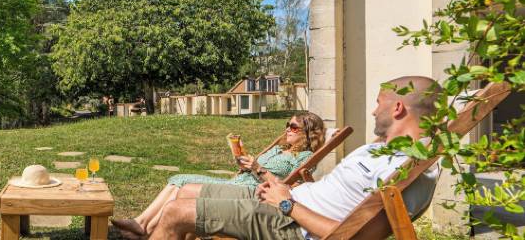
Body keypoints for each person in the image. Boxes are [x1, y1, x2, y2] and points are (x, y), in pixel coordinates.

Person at [146, 76, 442, 240]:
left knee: (176, 213)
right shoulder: (384, 150)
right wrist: (283, 191)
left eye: (379, 104)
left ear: (399, 109)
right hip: (286, 203)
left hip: (291, 225)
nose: (374, 111)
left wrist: (287, 204)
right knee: (184, 193)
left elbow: (350, 238)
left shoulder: (409, 172)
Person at [112, 112, 326, 237]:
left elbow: (282, 187)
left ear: (308, 133)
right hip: (239, 181)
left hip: (250, 192)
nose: (288, 129)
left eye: (294, 127)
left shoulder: (304, 158)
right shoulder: (280, 149)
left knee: (182, 183)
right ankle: (144, 225)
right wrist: (245, 163)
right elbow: (257, 168)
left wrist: (257, 168)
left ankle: (144, 226)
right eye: (288, 125)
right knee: (178, 182)